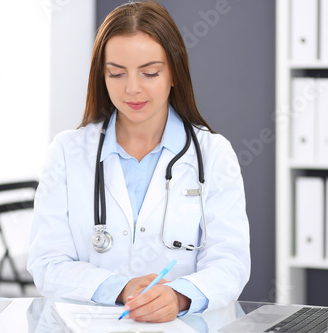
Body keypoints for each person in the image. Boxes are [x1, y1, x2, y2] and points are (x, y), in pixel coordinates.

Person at [27, 0, 250, 323]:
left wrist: (180, 295)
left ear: (174, 73)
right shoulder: (67, 151)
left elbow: (231, 261)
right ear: (101, 76)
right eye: (116, 73)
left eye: (150, 72)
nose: (132, 88)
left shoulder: (213, 154)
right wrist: (120, 287)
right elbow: (47, 262)